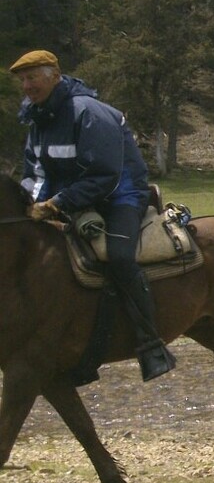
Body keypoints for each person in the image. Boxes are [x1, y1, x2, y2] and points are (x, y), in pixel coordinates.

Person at [12, 49, 177, 383]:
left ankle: (150, 344)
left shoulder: (88, 113)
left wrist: (57, 204)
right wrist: (30, 203)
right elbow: (36, 173)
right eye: (23, 80)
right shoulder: (36, 117)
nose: (28, 86)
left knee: (117, 257)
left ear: (54, 76)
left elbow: (105, 176)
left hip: (121, 195)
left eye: (33, 78)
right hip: (72, 200)